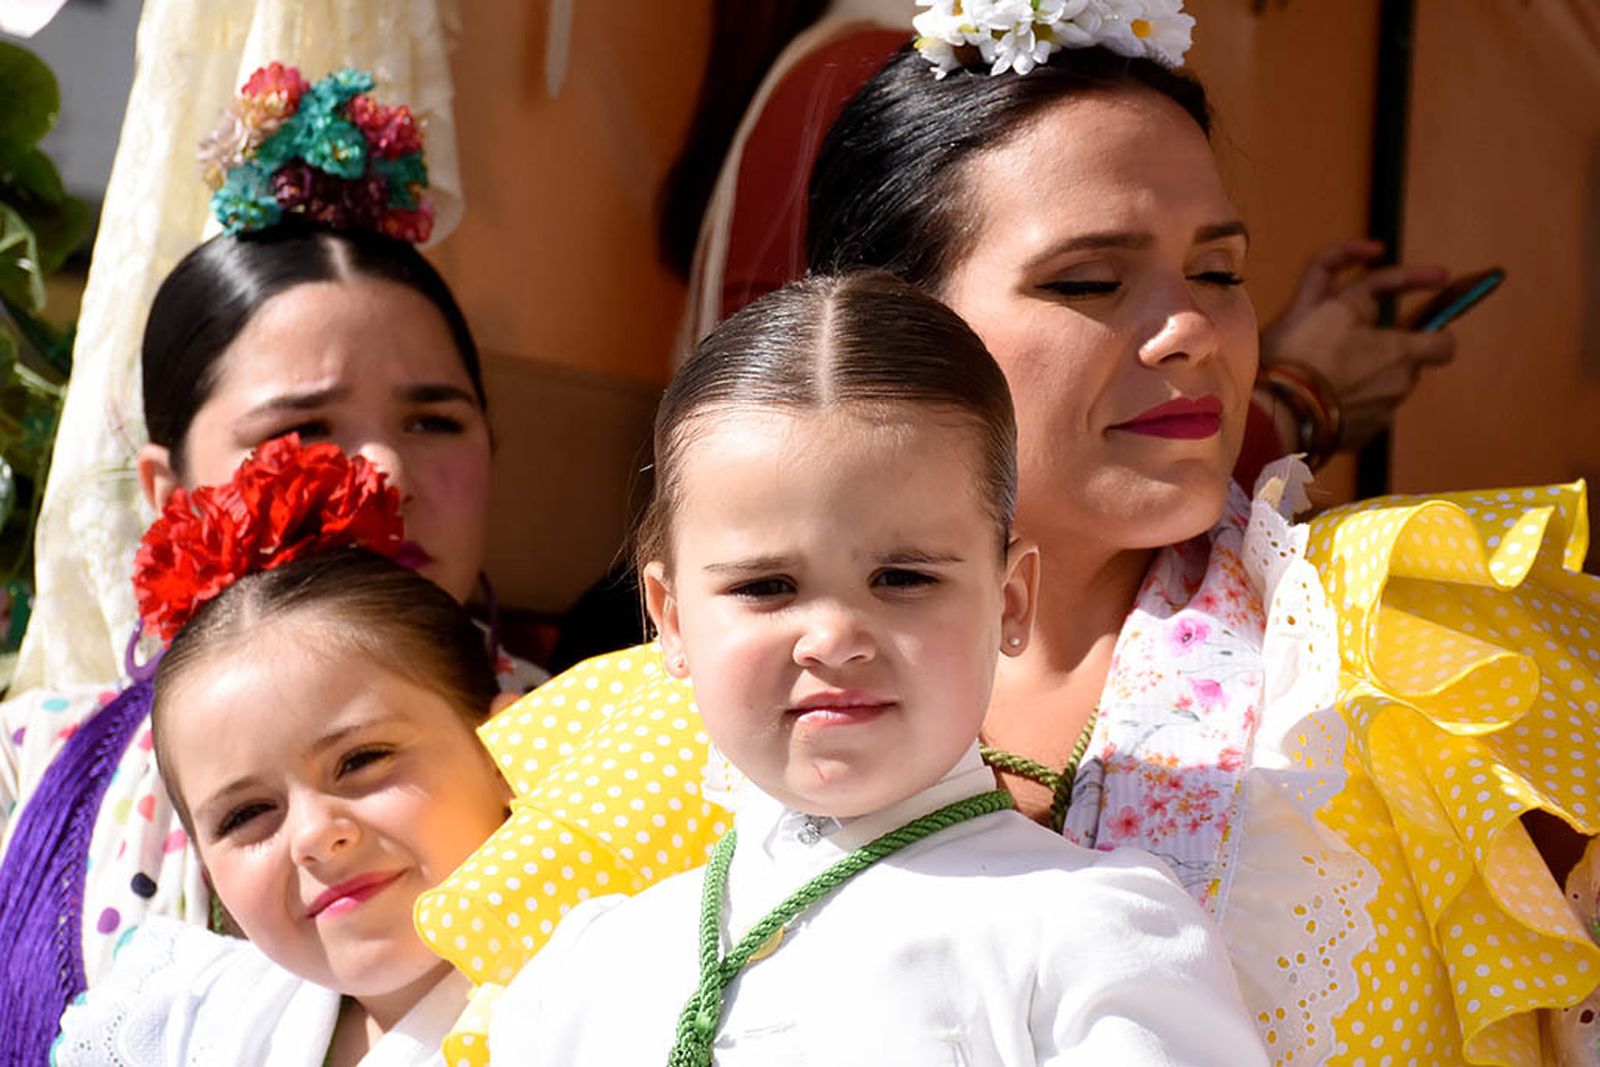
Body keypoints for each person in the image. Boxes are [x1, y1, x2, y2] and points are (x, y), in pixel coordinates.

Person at [430, 6, 1600, 1063]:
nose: (1189, 326)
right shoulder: (657, 737)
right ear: (901, 323)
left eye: (1219, 269)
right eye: (1091, 282)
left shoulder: (1395, 656)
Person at [488, 270, 1266, 1065]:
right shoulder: (588, 970)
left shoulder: (1092, 936)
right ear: (673, 617)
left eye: (904, 578)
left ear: (1009, 601)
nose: (832, 638)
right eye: (765, 586)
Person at [0, 65, 541, 1065]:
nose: (382, 469)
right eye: (303, 424)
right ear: (166, 492)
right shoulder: (26, 763)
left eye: (434, 418)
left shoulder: (597, 748)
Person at [53, 439, 511, 1066]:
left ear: (507, 748)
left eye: (362, 760)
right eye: (245, 816)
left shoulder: (618, 996)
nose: (316, 835)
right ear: (208, 869)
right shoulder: (184, 1022)